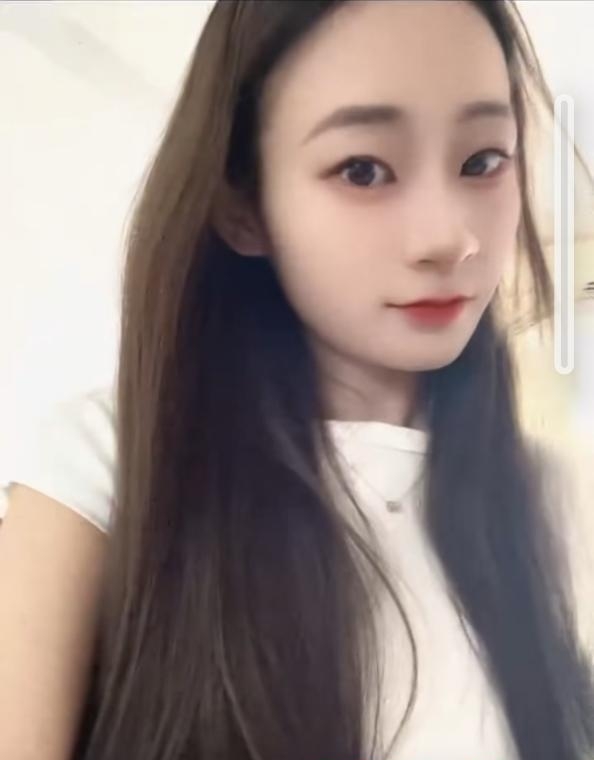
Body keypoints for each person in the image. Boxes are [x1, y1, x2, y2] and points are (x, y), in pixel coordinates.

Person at [0, 1, 592, 759]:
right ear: (243, 207)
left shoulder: (556, 503)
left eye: (482, 161)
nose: (451, 238)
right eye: (363, 169)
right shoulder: (105, 466)